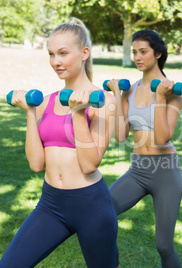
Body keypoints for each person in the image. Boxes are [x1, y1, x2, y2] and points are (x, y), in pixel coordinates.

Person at [0, 17, 118, 267]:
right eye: (52, 54)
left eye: (63, 53)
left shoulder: (104, 102)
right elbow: (35, 164)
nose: (56, 62)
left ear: (84, 53)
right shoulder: (44, 101)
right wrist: (30, 114)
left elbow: (89, 165)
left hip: (91, 206)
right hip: (51, 204)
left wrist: (78, 113)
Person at [106, 29, 182, 267]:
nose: (138, 57)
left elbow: (162, 138)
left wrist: (160, 97)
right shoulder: (131, 88)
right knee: (101, 217)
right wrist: (119, 96)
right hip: (138, 170)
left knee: (163, 245)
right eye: (134, 52)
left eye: (143, 51)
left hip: (165, 172)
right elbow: (121, 135)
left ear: (158, 53)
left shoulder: (173, 90)